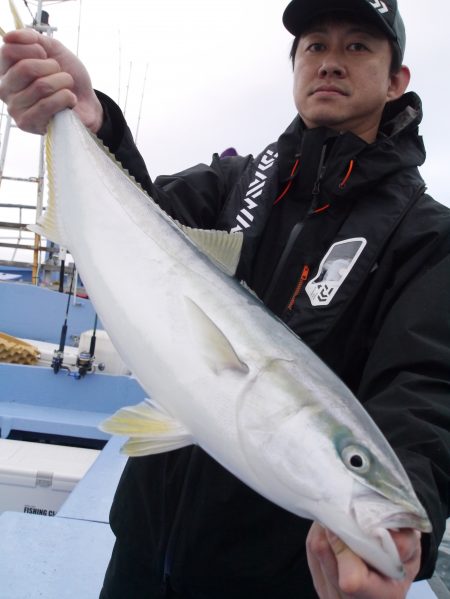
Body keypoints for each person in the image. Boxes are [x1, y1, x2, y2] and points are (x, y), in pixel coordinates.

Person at [1, 0, 449, 597]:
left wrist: (406, 505)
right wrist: (91, 124)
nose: (331, 63)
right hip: (140, 549)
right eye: (315, 45)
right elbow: (136, 222)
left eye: (358, 46)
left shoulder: (426, 239)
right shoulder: (232, 183)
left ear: (398, 81)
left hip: (274, 578)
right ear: (294, 68)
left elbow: (423, 387)